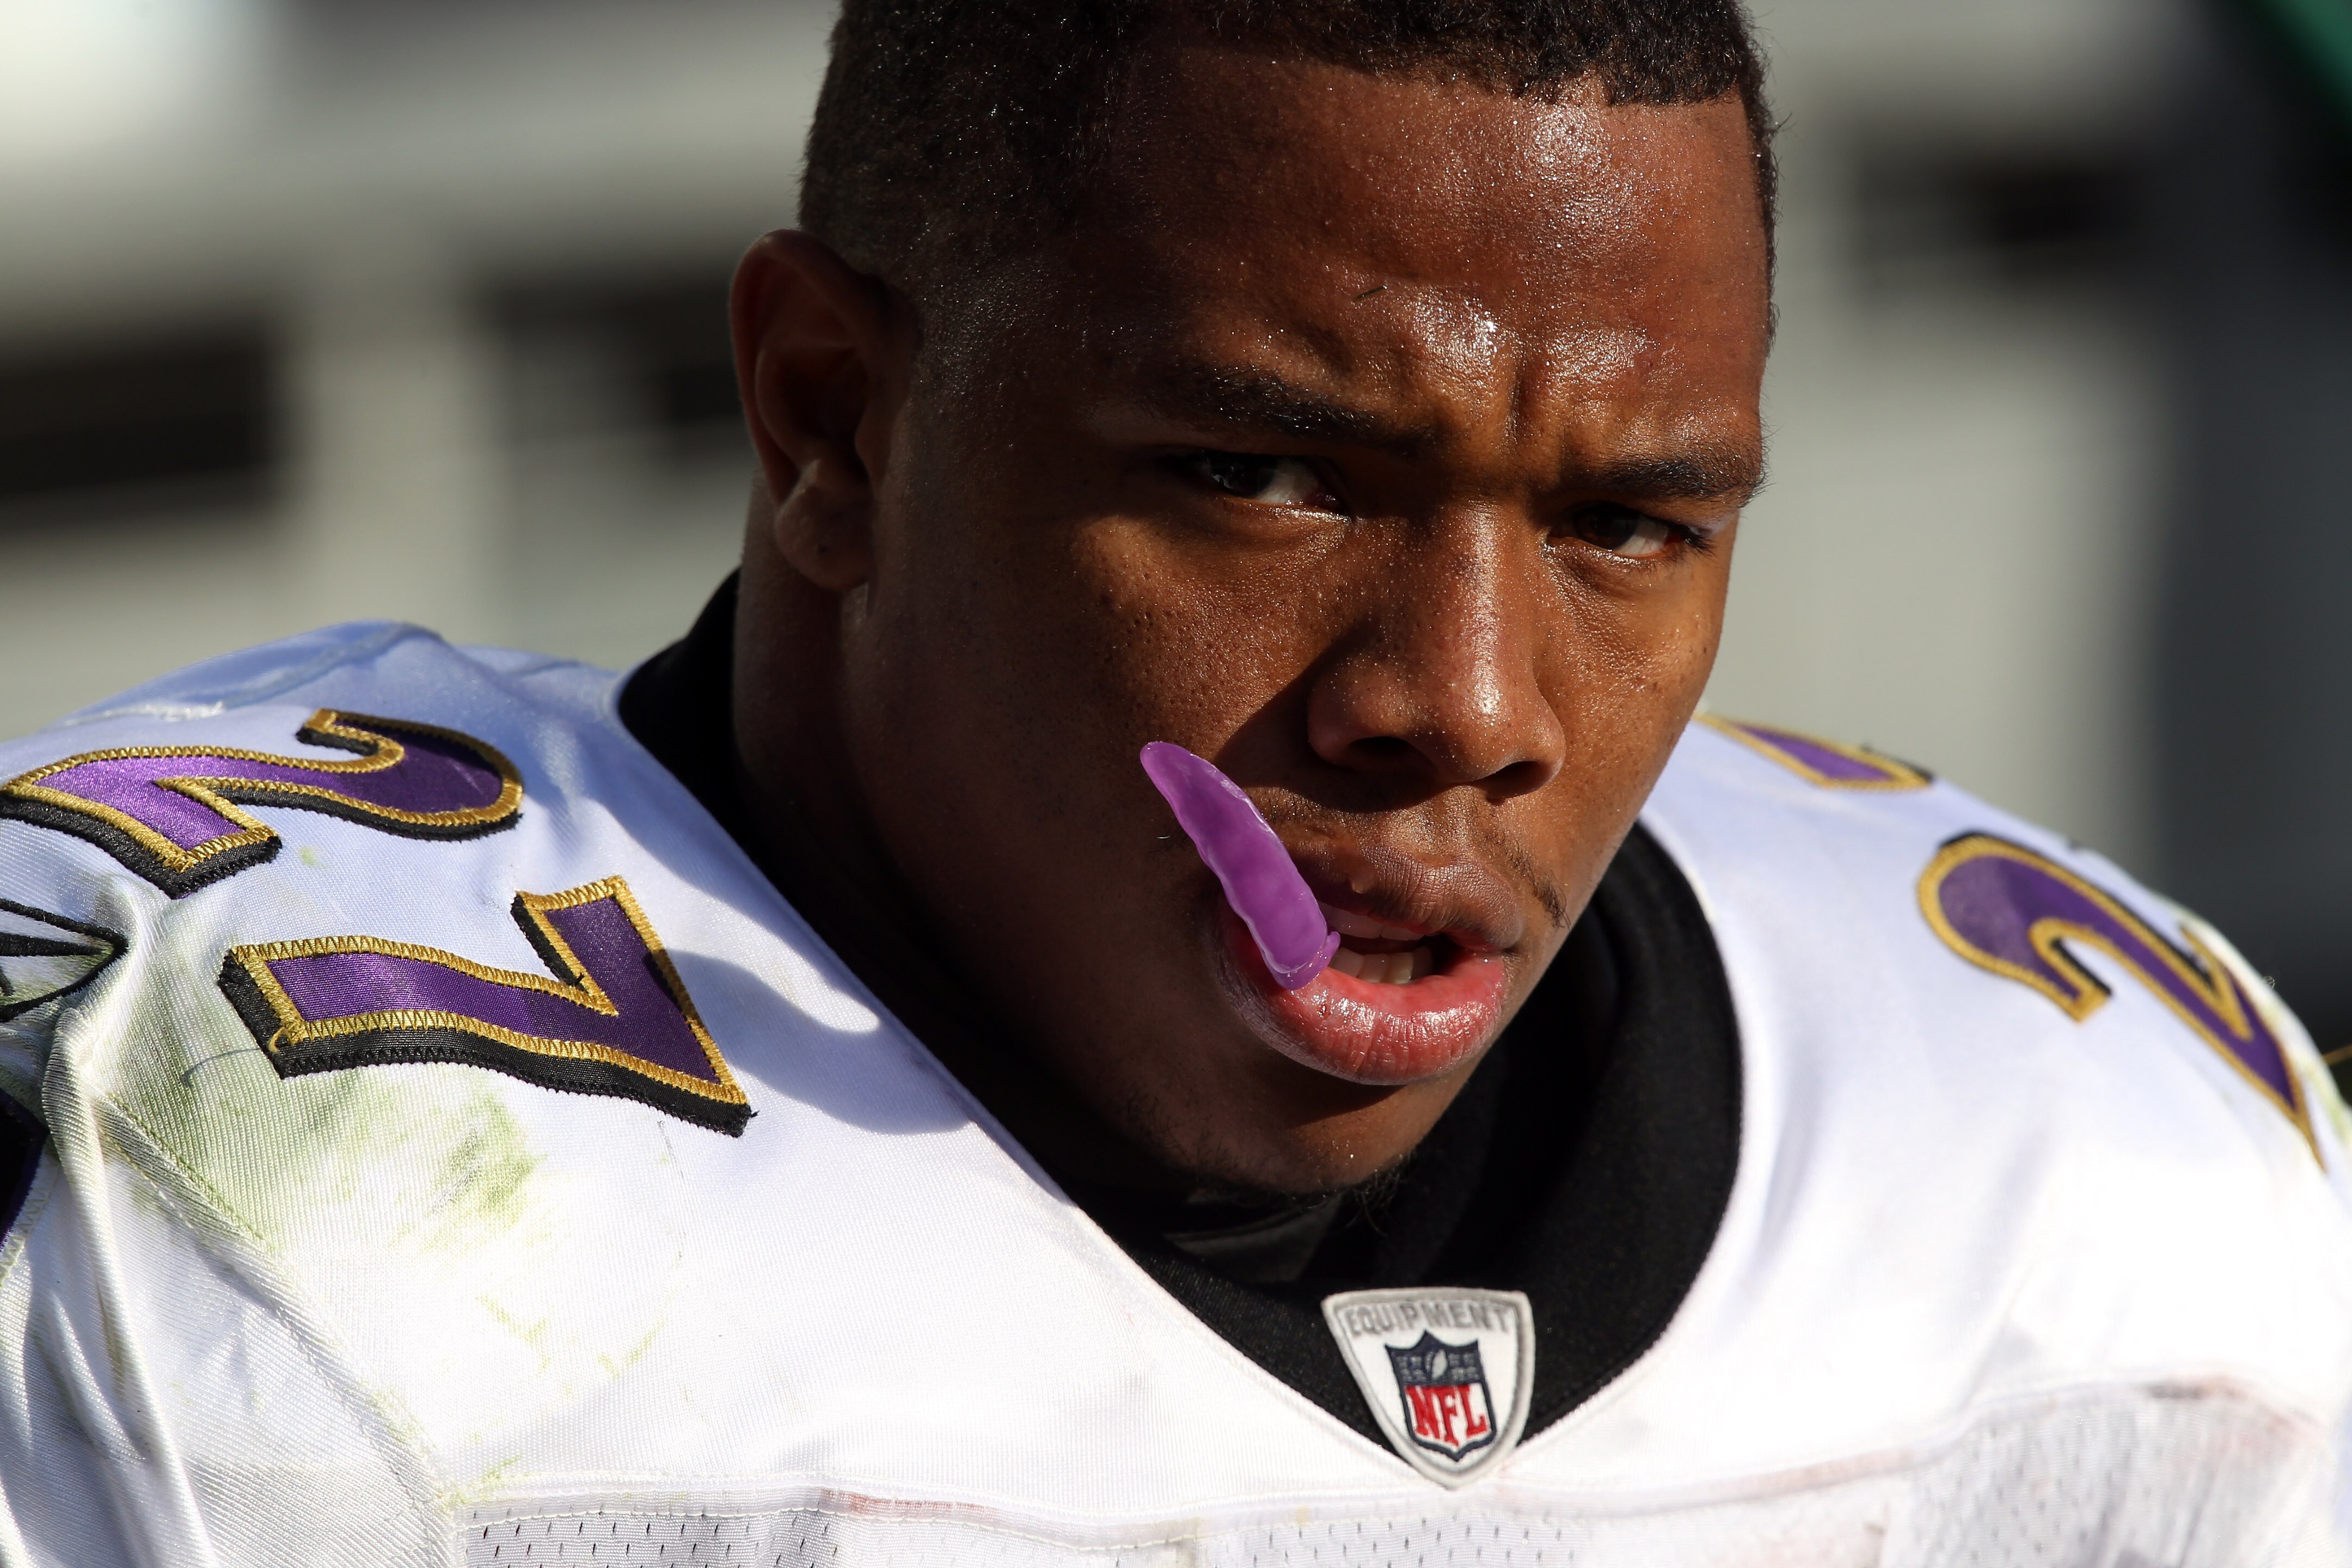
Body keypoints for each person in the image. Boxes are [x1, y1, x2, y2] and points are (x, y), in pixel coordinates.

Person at [3, 1, 2349, 1560]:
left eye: (1627, 523)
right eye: (1262, 476)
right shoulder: (221, 1168)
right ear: (834, 418)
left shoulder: (2094, 1174)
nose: (1467, 704)